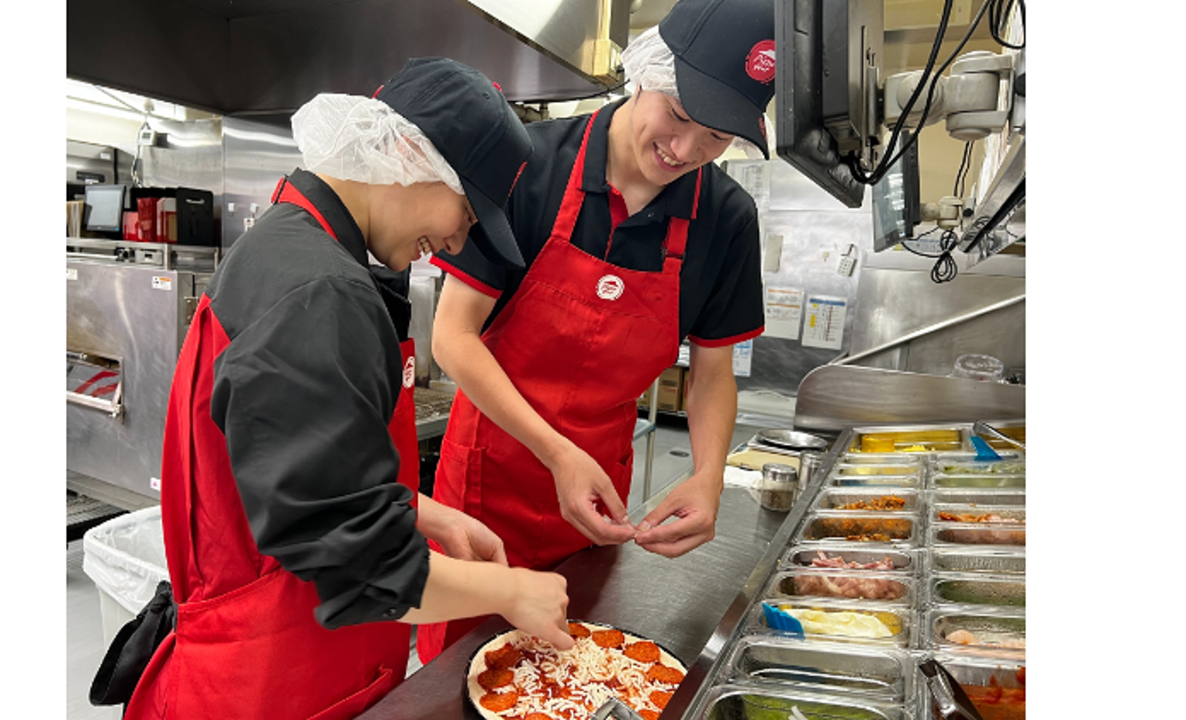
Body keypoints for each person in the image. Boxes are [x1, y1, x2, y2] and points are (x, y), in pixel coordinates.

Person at [115, 58, 573, 720]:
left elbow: (296, 474)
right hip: (269, 684)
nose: (454, 240)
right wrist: (509, 592)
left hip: (277, 662)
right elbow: (362, 565)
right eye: (467, 213)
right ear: (412, 157)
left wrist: (425, 513)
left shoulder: (286, 242)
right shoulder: (320, 292)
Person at [418, 0, 776, 663]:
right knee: (460, 676)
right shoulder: (529, 166)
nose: (686, 151)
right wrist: (555, 452)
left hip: (595, 506)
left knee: (570, 669)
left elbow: (712, 375)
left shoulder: (726, 218)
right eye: (678, 117)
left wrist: (708, 475)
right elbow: (452, 337)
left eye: (717, 139)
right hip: (484, 491)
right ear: (645, 74)